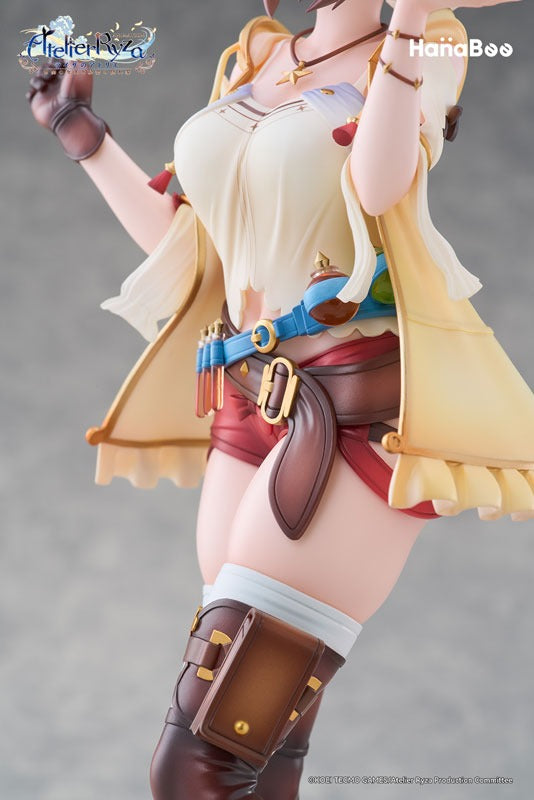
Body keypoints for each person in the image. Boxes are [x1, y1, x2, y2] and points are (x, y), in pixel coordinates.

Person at [27, 0, 532, 798]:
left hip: (348, 413)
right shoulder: (256, 57)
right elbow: (194, 246)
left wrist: (409, 17)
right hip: (250, 404)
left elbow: (379, 187)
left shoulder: (425, 47)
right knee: (261, 752)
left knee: (198, 763)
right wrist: (79, 131)